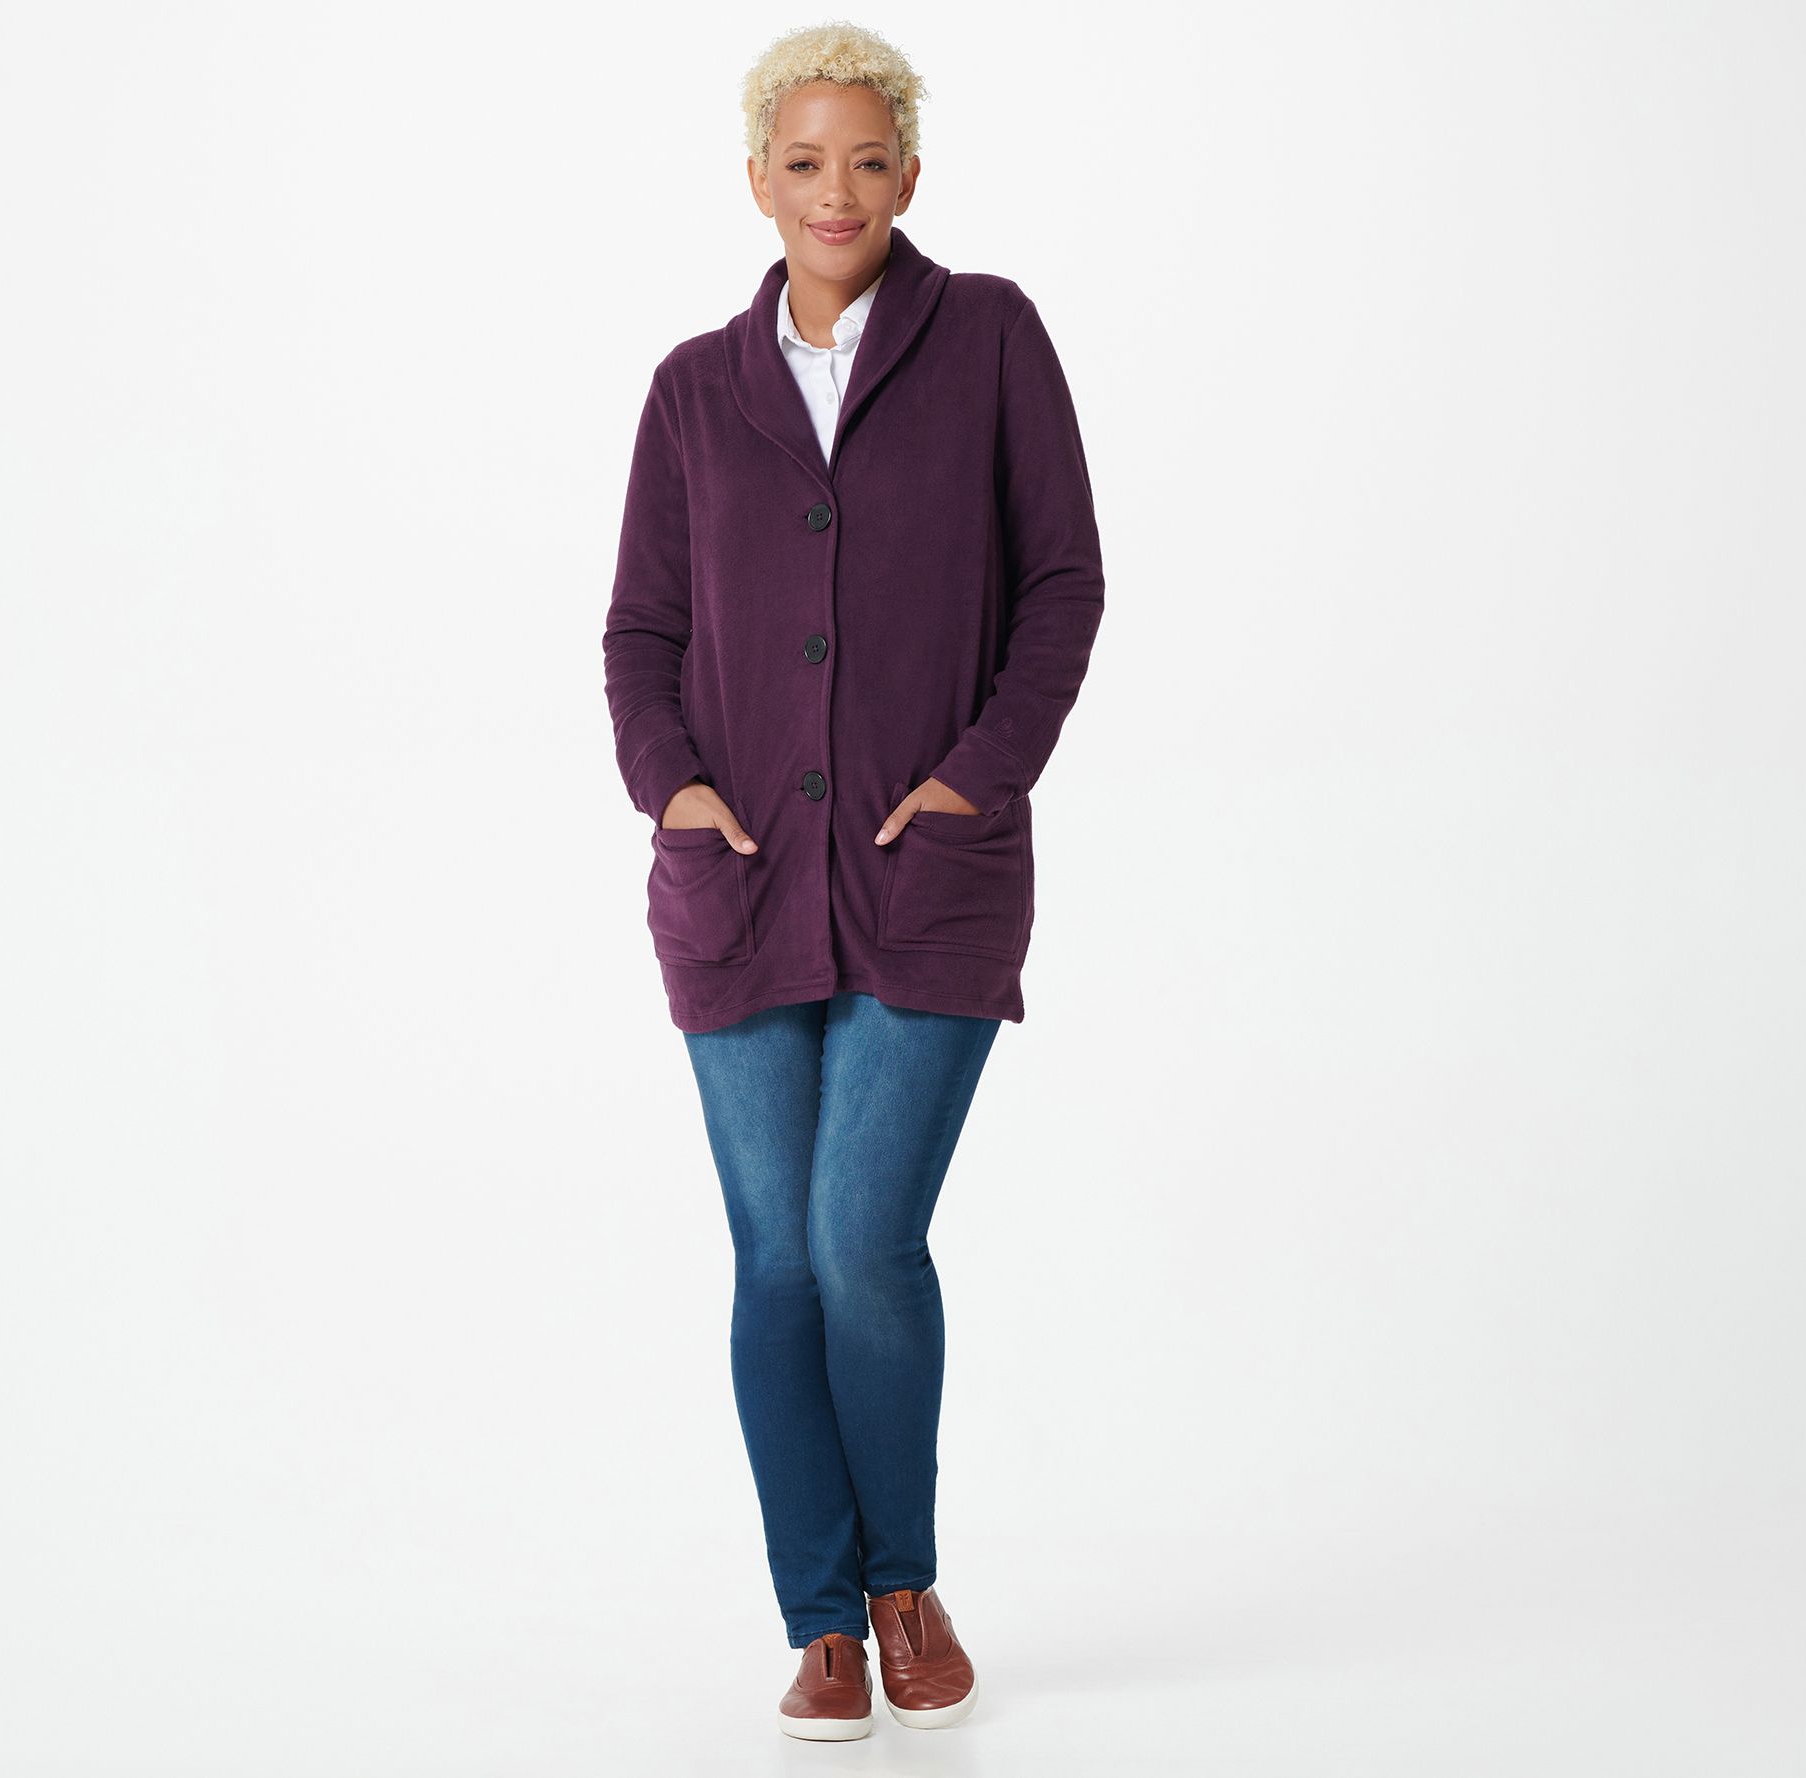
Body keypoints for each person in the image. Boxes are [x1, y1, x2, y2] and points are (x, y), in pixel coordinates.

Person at [600, 21, 1104, 1741]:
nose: (838, 192)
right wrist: (674, 788)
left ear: (911, 174)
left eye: (868, 160)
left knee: (860, 1238)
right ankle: (822, 1617)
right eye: (804, 162)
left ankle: (906, 1584)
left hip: (927, 876)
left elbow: (1063, 582)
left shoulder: (991, 338)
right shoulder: (693, 389)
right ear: (759, 179)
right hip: (736, 885)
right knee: (775, 1260)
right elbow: (641, 628)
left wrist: (977, 774)